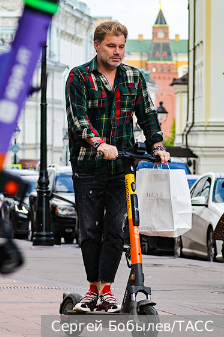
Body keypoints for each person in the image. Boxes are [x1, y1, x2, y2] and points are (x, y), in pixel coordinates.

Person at [66, 21, 170, 313]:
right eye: (111, 46)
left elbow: (148, 115)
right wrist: (99, 144)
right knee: (90, 228)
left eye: (121, 46)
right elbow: (78, 120)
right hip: (88, 164)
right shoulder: (79, 77)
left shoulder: (134, 78)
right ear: (97, 45)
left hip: (122, 166)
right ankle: (91, 290)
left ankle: (107, 290)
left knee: (115, 228)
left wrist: (157, 146)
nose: (117, 52)